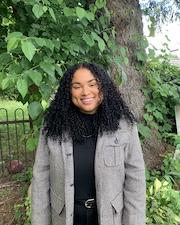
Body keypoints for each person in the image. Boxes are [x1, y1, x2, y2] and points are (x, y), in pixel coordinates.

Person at [31, 62, 146, 225]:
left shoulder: (124, 125)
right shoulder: (54, 125)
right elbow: (41, 178)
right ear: (68, 91)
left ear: (103, 87)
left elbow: (135, 179)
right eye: (77, 86)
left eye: (92, 84)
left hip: (109, 219)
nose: (85, 92)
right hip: (65, 218)